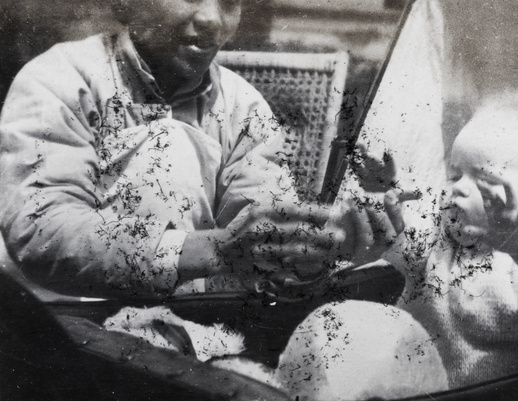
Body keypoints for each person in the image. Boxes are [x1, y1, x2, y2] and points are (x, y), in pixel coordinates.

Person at [0, 0, 370, 298]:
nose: (212, 18)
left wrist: (316, 255)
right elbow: (43, 232)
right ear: (126, 5)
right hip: (62, 328)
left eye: (229, 2)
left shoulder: (244, 108)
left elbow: (261, 240)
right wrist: (216, 250)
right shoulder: (61, 80)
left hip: (183, 329)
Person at [275, 92, 518, 398]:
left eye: (485, 180)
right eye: (454, 174)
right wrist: (383, 194)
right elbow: (396, 235)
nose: (458, 189)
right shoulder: (439, 243)